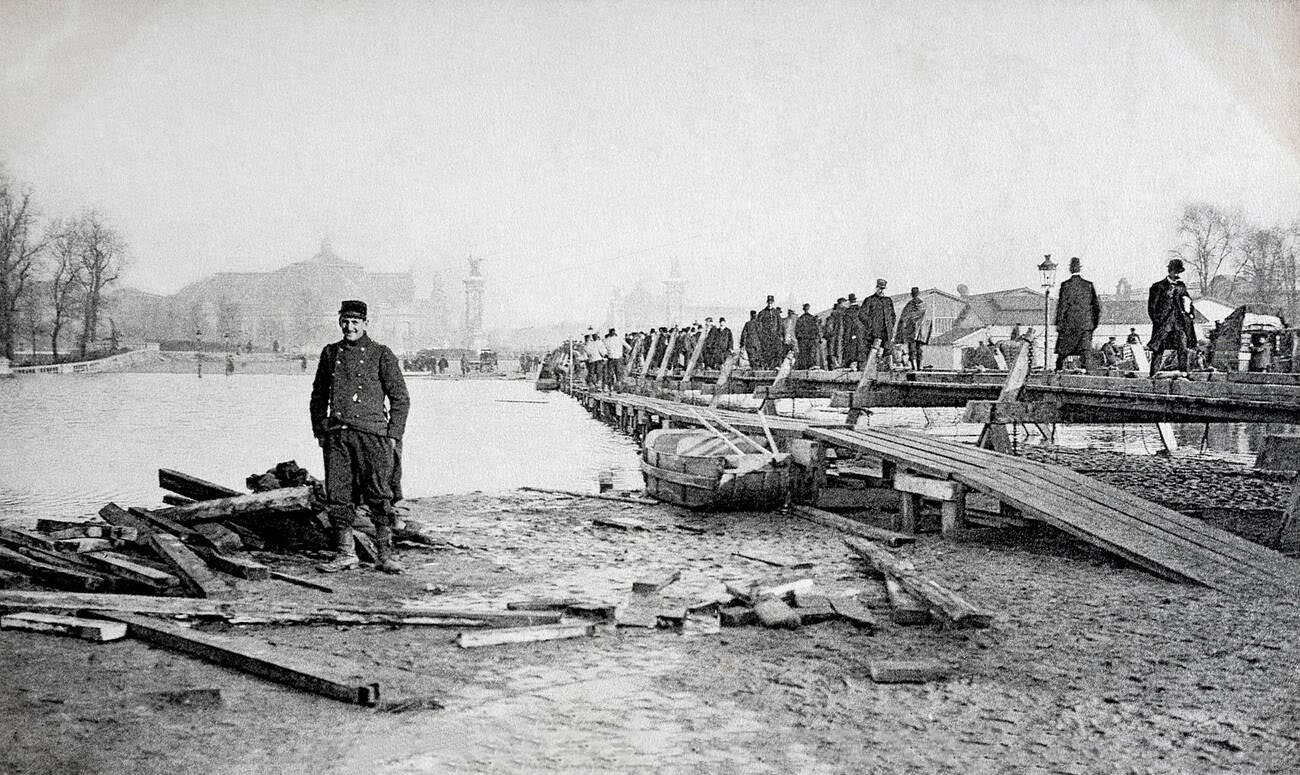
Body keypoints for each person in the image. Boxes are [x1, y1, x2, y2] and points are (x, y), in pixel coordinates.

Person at [310, 300, 410, 574]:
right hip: (338, 436)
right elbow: (318, 396)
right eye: (345, 321)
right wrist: (320, 430)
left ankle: (385, 555)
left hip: (373, 436)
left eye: (355, 322)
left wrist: (393, 435)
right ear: (339, 321)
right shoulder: (330, 353)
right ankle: (345, 553)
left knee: (379, 494)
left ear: (366, 324)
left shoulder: (381, 354)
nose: (349, 327)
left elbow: (400, 399)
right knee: (338, 494)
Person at [1147, 258, 1196, 375]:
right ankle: (1153, 375)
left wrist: (1190, 313)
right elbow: (1151, 307)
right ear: (1170, 271)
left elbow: (1188, 301)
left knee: (1183, 348)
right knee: (1158, 349)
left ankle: (1184, 375)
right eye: (1175, 271)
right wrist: (1158, 320)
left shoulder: (1181, 286)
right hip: (1164, 323)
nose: (1177, 274)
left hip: (1179, 323)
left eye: (1179, 272)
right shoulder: (1158, 286)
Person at [1054, 257, 1102, 371]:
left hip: (1068, 326)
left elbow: (1062, 307)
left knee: (1062, 354)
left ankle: (1057, 374)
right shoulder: (1088, 285)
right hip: (1085, 325)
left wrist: (1059, 325)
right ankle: (1090, 377)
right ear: (1080, 268)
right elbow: (1097, 308)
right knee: (1086, 353)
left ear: (1070, 269)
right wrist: (1093, 324)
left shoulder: (1065, 285)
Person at [858, 279, 896, 367]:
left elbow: (893, 315)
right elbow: (861, 315)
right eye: (880, 288)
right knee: (874, 351)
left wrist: (890, 325)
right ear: (876, 288)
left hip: (886, 332)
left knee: (888, 351)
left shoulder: (888, 300)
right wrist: (871, 324)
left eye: (883, 289)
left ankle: (889, 370)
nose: (881, 290)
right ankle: (872, 369)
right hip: (874, 332)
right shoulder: (869, 300)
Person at [893, 286, 929, 371]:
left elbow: (904, 318)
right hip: (920, 332)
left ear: (911, 294)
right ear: (918, 293)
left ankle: (915, 368)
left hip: (912, 331)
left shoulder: (910, 305)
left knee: (912, 349)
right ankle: (919, 367)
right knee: (919, 350)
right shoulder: (923, 304)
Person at [754, 296, 783, 368]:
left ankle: (775, 366)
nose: (770, 304)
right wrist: (761, 335)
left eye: (771, 303)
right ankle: (767, 366)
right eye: (769, 303)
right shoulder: (762, 313)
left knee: (776, 351)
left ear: (773, 303)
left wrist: (779, 334)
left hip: (775, 335)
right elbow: (758, 325)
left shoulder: (776, 313)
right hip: (766, 336)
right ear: (767, 303)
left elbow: (780, 324)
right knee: (766, 351)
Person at [794, 303, 820, 369]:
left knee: (803, 355)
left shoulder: (800, 318)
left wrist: (799, 338)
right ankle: (810, 366)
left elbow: (797, 331)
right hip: (810, 339)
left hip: (803, 340)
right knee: (811, 354)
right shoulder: (812, 318)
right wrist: (815, 337)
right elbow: (816, 329)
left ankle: (803, 368)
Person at [825, 298, 847, 368]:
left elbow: (829, 325)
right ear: (842, 303)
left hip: (836, 334)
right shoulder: (842, 312)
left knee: (834, 349)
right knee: (837, 349)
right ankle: (837, 363)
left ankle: (836, 363)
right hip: (839, 334)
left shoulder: (835, 312)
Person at [843, 293, 862, 369]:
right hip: (861, 332)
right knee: (860, 348)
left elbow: (848, 325)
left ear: (850, 301)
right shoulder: (861, 309)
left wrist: (848, 336)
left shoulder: (848, 311)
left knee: (852, 350)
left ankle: (853, 366)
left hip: (852, 333)